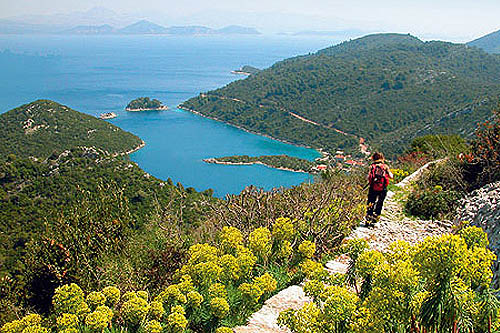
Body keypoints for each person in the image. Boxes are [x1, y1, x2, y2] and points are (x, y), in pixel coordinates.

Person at [365, 152, 393, 227]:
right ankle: (375, 219)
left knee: (371, 202)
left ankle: (368, 219)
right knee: (379, 203)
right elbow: (391, 176)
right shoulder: (385, 166)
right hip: (382, 188)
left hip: (373, 188)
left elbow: (368, 177)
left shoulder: (372, 166)